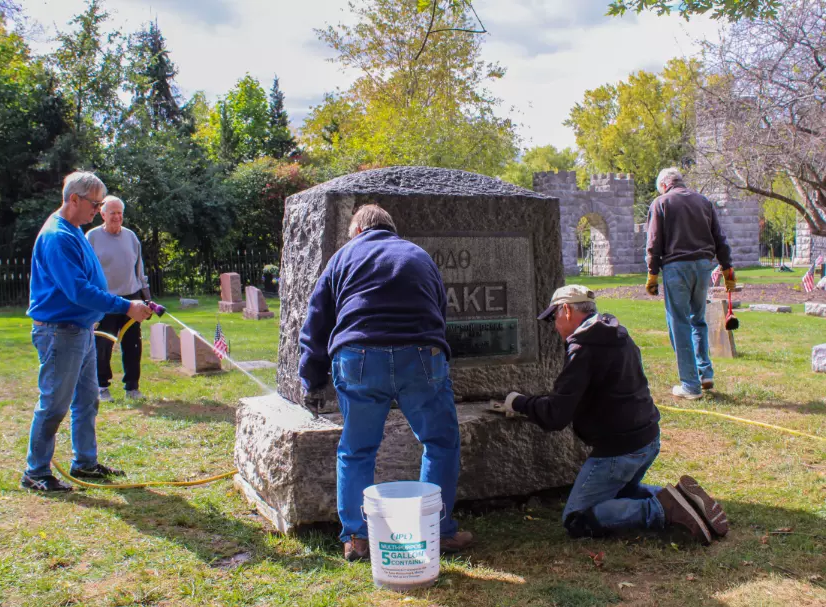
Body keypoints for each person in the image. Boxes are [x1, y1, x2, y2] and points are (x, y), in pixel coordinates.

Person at [298, 204, 473, 561]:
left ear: (358, 230)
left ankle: (357, 538)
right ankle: (436, 529)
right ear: (389, 229)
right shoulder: (419, 255)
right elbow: (440, 311)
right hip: (421, 355)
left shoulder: (343, 258)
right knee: (440, 442)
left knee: (357, 449)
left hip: (359, 357)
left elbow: (316, 320)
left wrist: (311, 379)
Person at [490, 285, 728, 545]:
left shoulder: (583, 349)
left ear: (567, 311)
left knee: (577, 519)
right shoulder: (616, 334)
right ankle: (680, 498)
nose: (553, 325)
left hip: (619, 451)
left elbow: (556, 416)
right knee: (622, 493)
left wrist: (519, 402)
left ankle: (662, 510)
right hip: (647, 439)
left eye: (552, 317)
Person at [23, 172, 152, 492]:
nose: (98, 209)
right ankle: (36, 472)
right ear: (74, 200)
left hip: (78, 329)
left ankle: (84, 463)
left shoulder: (74, 230)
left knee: (86, 400)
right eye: (95, 204)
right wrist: (125, 306)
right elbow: (77, 290)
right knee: (54, 404)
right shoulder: (58, 236)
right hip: (59, 331)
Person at [645, 167, 735, 400]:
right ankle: (704, 373)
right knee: (698, 320)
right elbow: (719, 237)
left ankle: (690, 385)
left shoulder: (661, 203)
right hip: (704, 266)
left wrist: (652, 274)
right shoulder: (704, 202)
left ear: (664, 185)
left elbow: (654, 242)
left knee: (679, 324)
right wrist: (727, 270)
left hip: (677, 267)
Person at [87, 195, 151, 401]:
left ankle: (132, 387)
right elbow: (86, 270)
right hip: (105, 299)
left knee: (133, 343)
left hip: (131, 297)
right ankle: (101, 387)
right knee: (103, 344)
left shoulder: (131, 237)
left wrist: (146, 295)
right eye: (112, 213)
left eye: (120, 213)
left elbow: (139, 268)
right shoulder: (92, 237)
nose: (117, 217)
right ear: (102, 214)